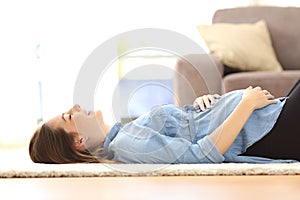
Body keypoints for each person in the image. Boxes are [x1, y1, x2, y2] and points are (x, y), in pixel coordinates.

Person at [29, 79, 300, 164]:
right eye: (68, 116)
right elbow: (202, 156)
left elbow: (189, 133)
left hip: (271, 118)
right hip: (272, 132)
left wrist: (201, 107)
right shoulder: (128, 144)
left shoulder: (126, 133)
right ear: (79, 141)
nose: (75, 107)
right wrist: (245, 103)